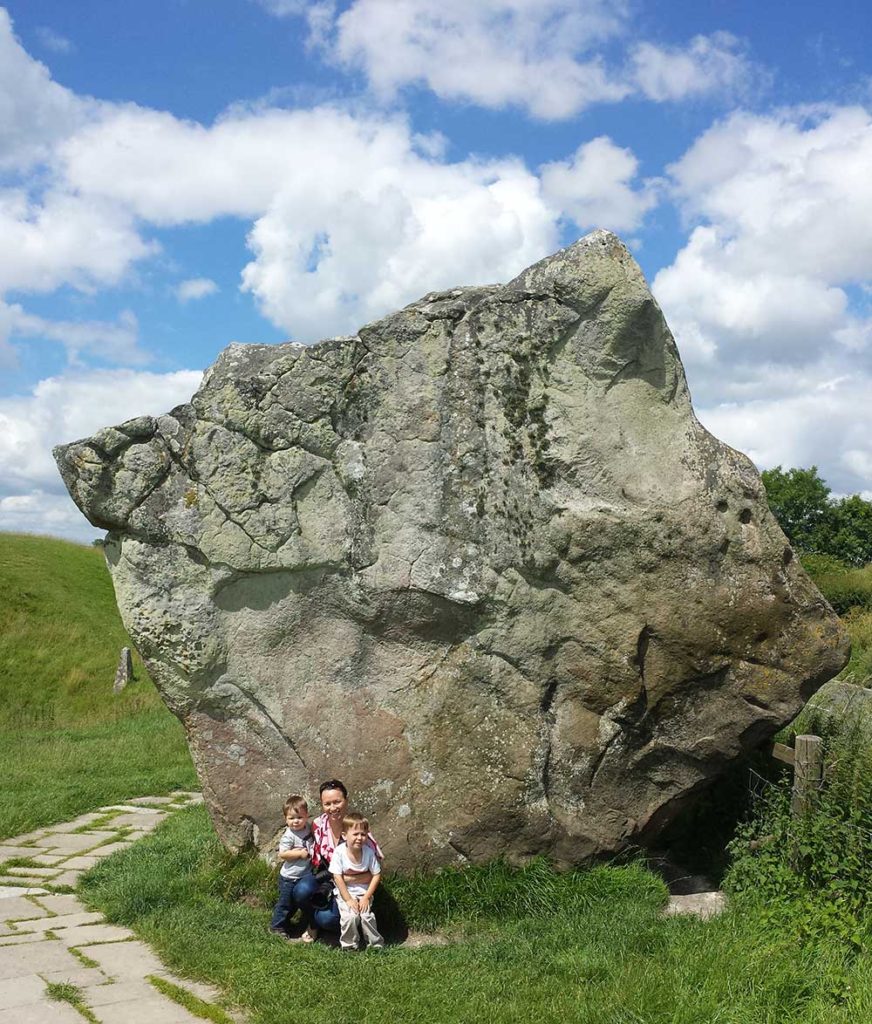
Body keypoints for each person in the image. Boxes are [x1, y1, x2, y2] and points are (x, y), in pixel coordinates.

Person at [310, 779, 383, 935]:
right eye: (327, 804)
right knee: (302, 889)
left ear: (346, 801)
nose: (332, 808)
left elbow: (373, 873)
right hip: (328, 879)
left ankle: (352, 929)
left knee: (327, 918)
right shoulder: (318, 825)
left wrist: (344, 879)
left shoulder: (357, 830)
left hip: (354, 888)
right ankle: (311, 923)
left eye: (337, 802)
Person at [329, 811, 384, 951]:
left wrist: (366, 897)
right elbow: (337, 877)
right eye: (355, 834)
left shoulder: (369, 852)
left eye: (363, 834)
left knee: (366, 916)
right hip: (346, 893)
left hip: (364, 892)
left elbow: (376, 875)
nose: (359, 838)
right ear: (344, 835)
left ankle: (375, 945)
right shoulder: (339, 852)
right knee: (350, 917)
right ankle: (349, 946)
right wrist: (348, 899)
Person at [269, 794, 319, 943]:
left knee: (296, 903)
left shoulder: (308, 828)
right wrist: (299, 854)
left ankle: (296, 923)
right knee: (285, 903)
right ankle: (277, 927)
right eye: (291, 818)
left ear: (306, 816)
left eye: (299, 817)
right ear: (285, 819)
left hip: (304, 874)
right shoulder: (288, 836)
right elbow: (283, 854)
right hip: (289, 877)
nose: (296, 821)